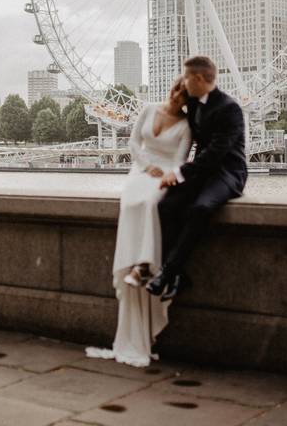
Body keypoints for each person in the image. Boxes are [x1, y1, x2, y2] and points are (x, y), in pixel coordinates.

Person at [85, 77, 191, 367]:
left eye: (182, 95)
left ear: (187, 101)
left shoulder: (186, 127)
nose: (176, 96)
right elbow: (133, 142)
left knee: (150, 203)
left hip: (165, 175)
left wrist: (168, 173)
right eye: (176, 89)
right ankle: (135, 263)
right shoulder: (147, 109)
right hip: (140, 171)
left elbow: (181, 162)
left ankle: (143, 265)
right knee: (132, 201)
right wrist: (146, 166)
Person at [147, 55, 247, 301]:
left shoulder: (229, 108)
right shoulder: (193, 102)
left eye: (187, 78)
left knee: (201, 208)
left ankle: (167, 271)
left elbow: (216, 153)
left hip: (227, 171)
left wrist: (179, 173)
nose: (183, 82)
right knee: (166, 205)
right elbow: (172, 115)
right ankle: (179, 275)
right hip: (201, 171)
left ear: (199, 79)